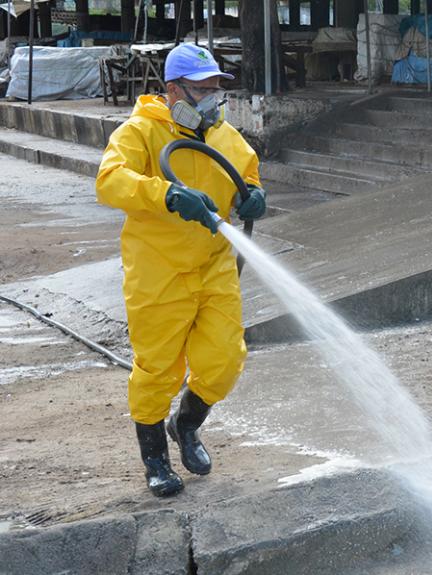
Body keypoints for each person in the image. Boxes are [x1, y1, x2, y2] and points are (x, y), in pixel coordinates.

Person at [95, 43, 267, 497]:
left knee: (225, 359)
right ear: (174, 91)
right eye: (202, 91)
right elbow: (110, 180)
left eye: (216, 90)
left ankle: (186, 424)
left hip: (213, 266)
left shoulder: (223, 135)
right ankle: (155, 459)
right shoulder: (141, 132)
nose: (213, 100)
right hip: (159, 271)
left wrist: (252, 195)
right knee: (158, 369)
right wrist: (166, 194)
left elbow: (246, 175)